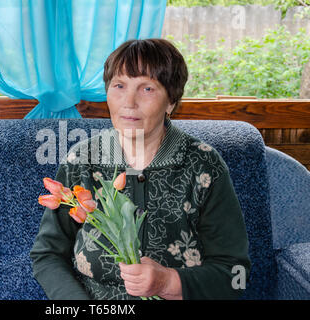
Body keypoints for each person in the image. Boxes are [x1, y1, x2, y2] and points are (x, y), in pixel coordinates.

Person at [30, 38, 251, 300]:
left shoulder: (204, 165)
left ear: (171, 101)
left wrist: (169, 282)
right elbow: (47, 254)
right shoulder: (82, 160)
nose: (129, 102)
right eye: (119, 86)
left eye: (147, 89)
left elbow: (237, 274)